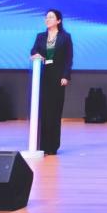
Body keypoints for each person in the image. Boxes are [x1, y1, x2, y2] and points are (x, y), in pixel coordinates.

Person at [29, 9, 73, 155]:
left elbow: (68, 58)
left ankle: (52, 145)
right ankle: (41, 144)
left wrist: (66, 76)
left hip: (58, 76)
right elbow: (33, 50)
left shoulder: (65, 37)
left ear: (58, 21)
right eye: (46, 17)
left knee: (54, 110)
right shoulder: (40, 36)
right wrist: (36, 55)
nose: (47, 19)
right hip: (43, 75)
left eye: (51, 17)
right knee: (43, 110)